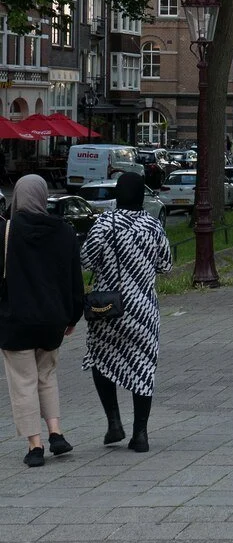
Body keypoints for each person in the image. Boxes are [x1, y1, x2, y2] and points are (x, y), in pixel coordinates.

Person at [80, 172, 172, 452]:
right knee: (143, 367)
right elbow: (166, 265)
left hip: (108, 309)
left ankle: (114, 423)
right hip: (143, 311)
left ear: (118, 195)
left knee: (101, 358)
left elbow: (85, 260)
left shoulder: (104, 224)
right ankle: (140, 434)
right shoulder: (153, 226)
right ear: (142, 197)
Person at [0, 175, 84, 467]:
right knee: (47, 376)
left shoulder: (6, 231)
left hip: (15, 321)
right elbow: (75, 280)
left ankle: (35, 446)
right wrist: (73, 315)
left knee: (23, 382)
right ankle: (56, 431)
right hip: (52, 321)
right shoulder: (64, 232)